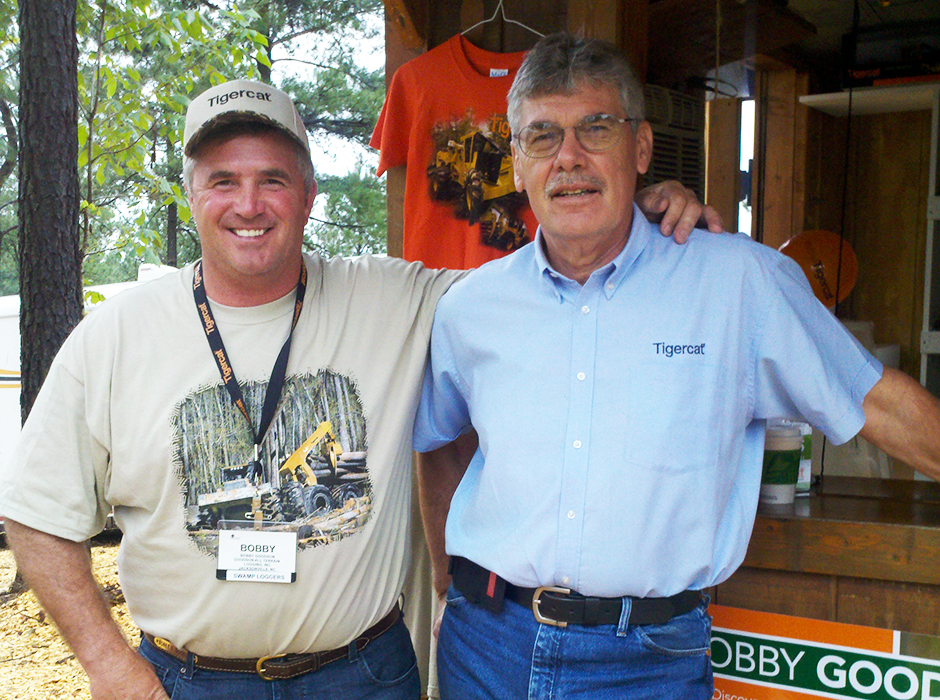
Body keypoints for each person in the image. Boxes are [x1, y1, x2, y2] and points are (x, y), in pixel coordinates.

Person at [0, 78, 715, 700]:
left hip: (361, 675)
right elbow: (36, 515)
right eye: (223, 180)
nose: (249, 203)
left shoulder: (395, 299)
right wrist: (106, 663)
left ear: (308, 195)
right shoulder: (115, 335)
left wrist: (625, 213)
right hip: (186, 680)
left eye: (273, 179)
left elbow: (550, 279)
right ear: (192, 196)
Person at [413, 33, 940, 700]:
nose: (568, 158)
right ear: (517, 163)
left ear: (641, 148)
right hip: (487, 645)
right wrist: (444, 587)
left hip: (648, 661)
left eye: (595, 128)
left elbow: (879, 401)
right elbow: (440, 442)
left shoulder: (739, 282)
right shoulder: (471, 306)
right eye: (542, 136)